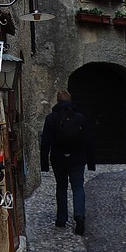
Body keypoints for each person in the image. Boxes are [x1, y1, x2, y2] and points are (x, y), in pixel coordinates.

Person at [41, 90, 96, 235]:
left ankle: (61, 219)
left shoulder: (51, 118)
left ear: (57, 101)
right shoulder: (80, 118)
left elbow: (45, 141)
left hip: (58, 157)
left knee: (61, 187)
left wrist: (44, 163)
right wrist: (91, 162)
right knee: (78, 187)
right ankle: (79, 216)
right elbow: (88, 140)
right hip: (77, 157)